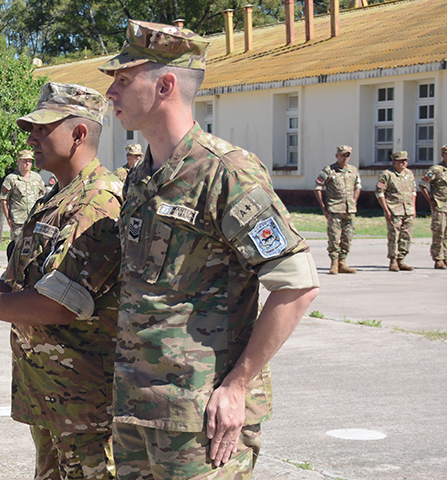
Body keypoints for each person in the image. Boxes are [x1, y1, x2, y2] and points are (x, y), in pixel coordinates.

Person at [100, 20, 319, 478]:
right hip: (138, 411)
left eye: (123, 80)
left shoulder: (226, 174)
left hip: (201, 419)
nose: (110, 94)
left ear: (164, 85)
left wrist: (237, 386)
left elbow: (296, 286)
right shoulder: (141, 179)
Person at [0, 82, 123, 480]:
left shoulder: (98, 200)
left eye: (43, 128)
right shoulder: (54, 201)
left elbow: (56, 304)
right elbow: (20, 289)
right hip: (50, 396)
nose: (31, 138)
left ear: (79, 134)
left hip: (87, 407)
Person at [314, 145, 361, 274]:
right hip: (334, 209)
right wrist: (323, 206)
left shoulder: (353, 170)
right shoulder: (329, 170)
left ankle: (342, 262)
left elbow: (357, 186)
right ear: (337, 156)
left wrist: (354, 201)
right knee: (334, 237)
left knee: (348, 237)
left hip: (349, 210)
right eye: (342, 155)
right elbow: (318, 187)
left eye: (347, 155)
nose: (345, 158)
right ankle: (334, 262)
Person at [419, 143, 447, 269]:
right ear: (443, 155)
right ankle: (438, 259)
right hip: (441, 206)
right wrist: (431, 201)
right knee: (439, 233)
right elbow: (422, 184)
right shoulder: (436, 169)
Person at [375, 151, 416, 271]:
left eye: (405, 160)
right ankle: (393, 260)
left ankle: (401, 259)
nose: (404, 163)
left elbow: (413, 191)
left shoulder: (409, 174)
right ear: (394, 162)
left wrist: (413, 207)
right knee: (394, 236)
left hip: (407, 210)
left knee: (406, 236)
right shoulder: (387, 174)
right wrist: (386, 210)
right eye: (401, 161)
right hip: (394, 210)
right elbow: (379, 192)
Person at [0, 149, 46, 243]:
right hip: (18, 221)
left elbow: (43, 197)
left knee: (34, 247)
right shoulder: (11, 179)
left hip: (35, 219)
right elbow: (4, 199)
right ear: (18, 161)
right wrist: (8, 218)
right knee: (17, 246)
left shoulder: (37, 178)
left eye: (29, 161)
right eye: (24, 161)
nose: (27, 163)